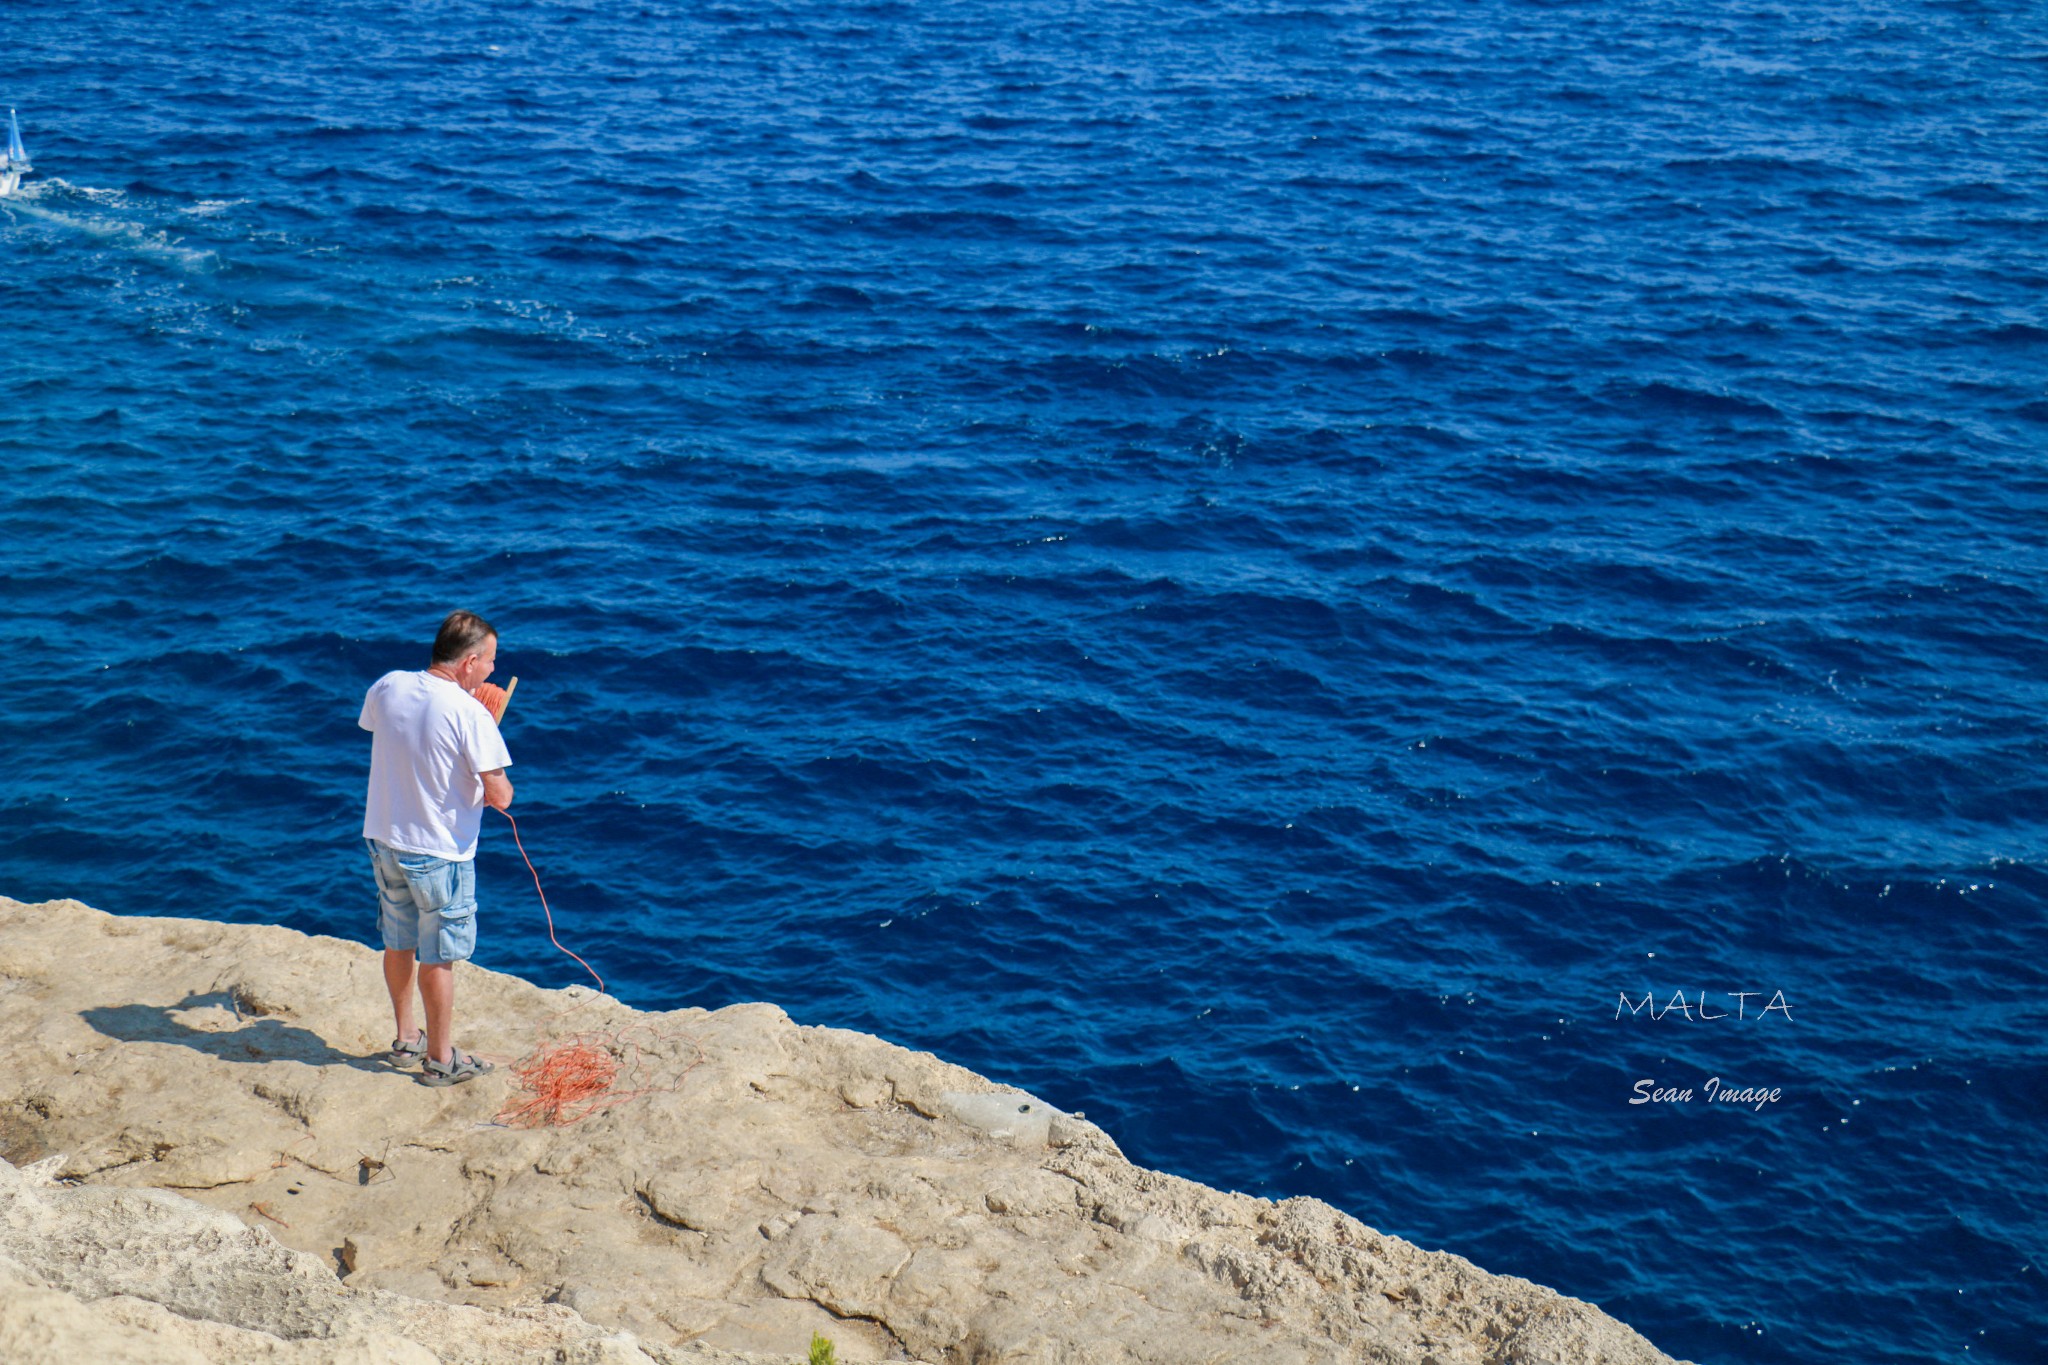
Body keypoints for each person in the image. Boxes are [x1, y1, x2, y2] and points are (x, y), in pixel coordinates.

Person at [360, 610, 514, 1086]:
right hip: (439, 853)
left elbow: (389, 731)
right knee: (438, 956)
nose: (492, 668)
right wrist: (486, 724)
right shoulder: (472, 714)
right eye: (489, 660)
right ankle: (442, 1060)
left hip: (384, 837)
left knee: (398, 940)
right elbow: (500, 796)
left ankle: (408, 1037)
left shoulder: (388, 685)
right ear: (469, 662)